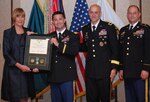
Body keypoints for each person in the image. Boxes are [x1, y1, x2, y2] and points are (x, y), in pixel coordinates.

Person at [80, 4, 119, 102]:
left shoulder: (108, 27)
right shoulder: (85, 29)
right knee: (91, 99)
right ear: (88, 13)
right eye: (91, 12)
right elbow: (86, 47)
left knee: (105, 99)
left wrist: (114, 68)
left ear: (100, 14)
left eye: (96, 12)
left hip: (105, 72)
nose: (93, 15)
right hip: (90, 72)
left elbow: (115, 49)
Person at [1, 8, 37, 102]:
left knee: (24, 99)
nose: (20, 19)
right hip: (13, 72)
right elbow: (6, 53)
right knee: (15, 98)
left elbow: (34, 50)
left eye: (22, 16)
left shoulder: (28, 31)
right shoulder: (8, 33)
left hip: (26, 71)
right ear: (14, 18)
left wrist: (35, 37)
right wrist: (19, 66)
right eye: (18, 16)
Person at [119, 5, 150, 102]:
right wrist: (121, 68)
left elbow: (148, 50)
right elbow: (121, 51)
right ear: (127, 15)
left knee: (142, 98)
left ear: (139, 15)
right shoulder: (123, 31)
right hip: (127, 72)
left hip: (140, 72)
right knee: (130, 99)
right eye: (130, 13)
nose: (132, 15)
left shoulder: (145, 29)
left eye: (134, 13)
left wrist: (146, 68)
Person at [48, 11, 79, 102]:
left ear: (64, 20)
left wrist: (58, 44)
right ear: (53, 22)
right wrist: (32, 36)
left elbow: (74, 51)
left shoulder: (73, 36)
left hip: (67, 77)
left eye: (60, 19)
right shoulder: (49, 36)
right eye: (55, 20)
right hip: (53, 76)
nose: (58, 22)